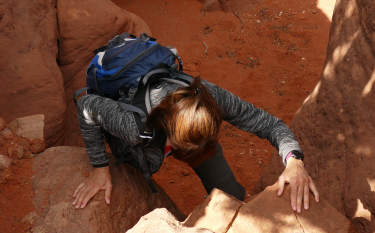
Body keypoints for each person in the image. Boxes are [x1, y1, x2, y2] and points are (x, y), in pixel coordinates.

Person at [72, 75, 319, 212]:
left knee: (231, 196)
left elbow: (271, 125)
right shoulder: (134, 127)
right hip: (140, 133)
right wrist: (100, 167)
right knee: (148, 162)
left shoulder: (213, 99)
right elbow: (86, 106)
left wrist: (294, 160)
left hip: (185, 131)